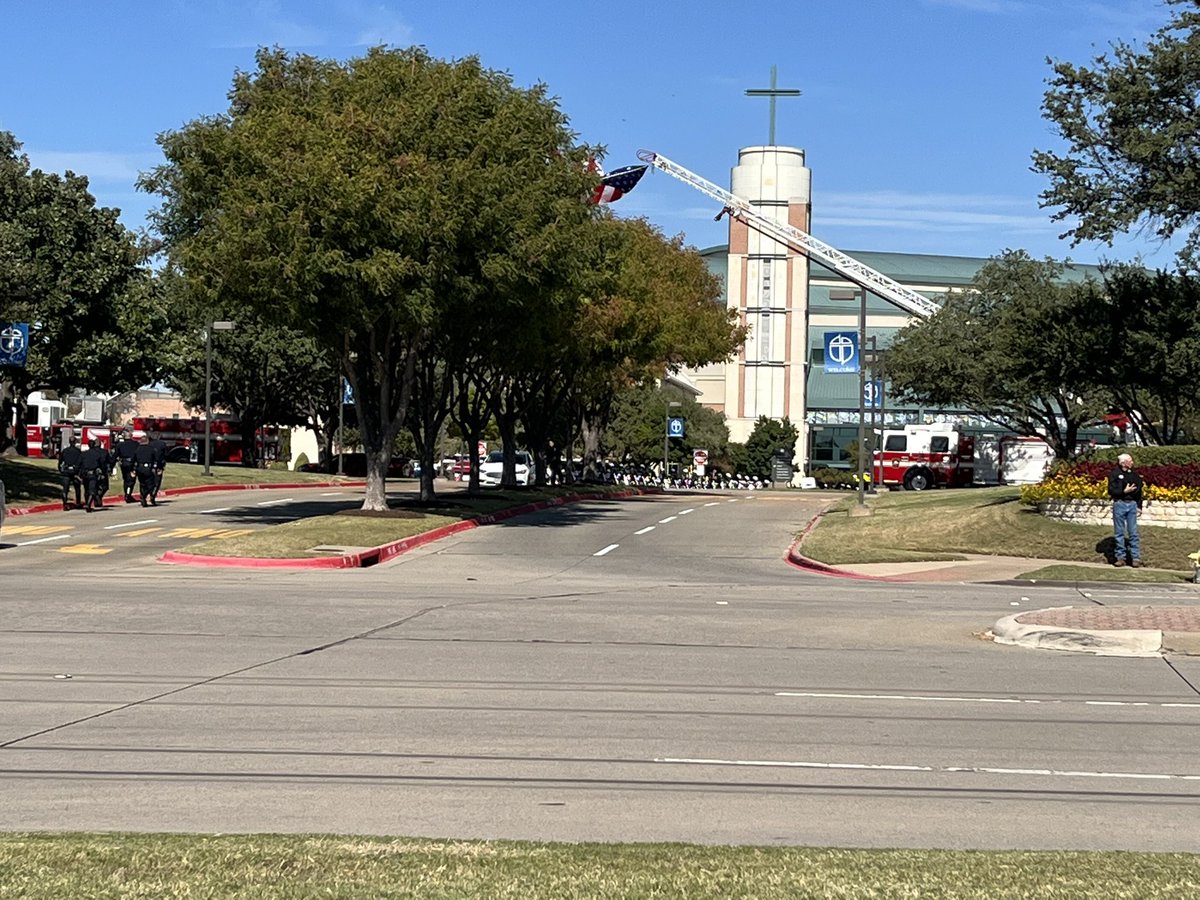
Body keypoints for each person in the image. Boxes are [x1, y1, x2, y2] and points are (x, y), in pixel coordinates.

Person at [1107, 452, 1145, 568]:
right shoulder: (1114, 474)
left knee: (1133, 532)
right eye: (1130, 460)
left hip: (1132, 505)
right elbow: (1112, 490)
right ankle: (1120, 558)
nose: (1132, 462)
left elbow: (1139, 491)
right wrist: (1123, 492)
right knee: (1119, 532)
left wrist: (1139, 506)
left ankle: (1136, 558)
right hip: (1119, 504)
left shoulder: (1134, 475)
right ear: (1123, 463)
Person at [80, 437, 112, 513]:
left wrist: (80, 474)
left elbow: (80, 464)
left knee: (87, 489)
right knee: (92, 489)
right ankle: (89, 503)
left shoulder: (83, 454)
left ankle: (91, 501)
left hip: (85, 474)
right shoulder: (99, 454)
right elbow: (102, 464)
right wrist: (104, 472)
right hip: (94, 473)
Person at [57, 435, 84, 511]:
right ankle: (78, 503)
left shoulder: (65, 451)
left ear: (69, 442)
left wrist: (61, 470)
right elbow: (81, 463)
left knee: (65, 489)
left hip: (66, 472)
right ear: (75, 442)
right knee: (77, 488)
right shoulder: (78, 451)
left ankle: (65, 504)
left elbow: (60, 462)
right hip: (75, 472)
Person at [113, 426, 139, 502]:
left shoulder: (119, 445)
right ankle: (128, 495)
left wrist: (111, 464)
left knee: (126, 479)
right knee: (131, 480)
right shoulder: (136, 444)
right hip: (132, 464)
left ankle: (127, 494)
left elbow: (115, 456)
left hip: (123, 464)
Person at [134, 433, 159, 507]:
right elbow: (156, 459)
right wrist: (156, 468)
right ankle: (143, 496)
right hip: (148, 468)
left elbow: (134, 459)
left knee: (142, 484)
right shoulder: (151, 449)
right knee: (152, 484)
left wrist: (134, 469)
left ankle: (143, 500)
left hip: (139, 468)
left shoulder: (137, 450)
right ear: (147, 441)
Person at [148, 430, 168, 503]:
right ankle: (153, 495)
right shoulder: (162, 444)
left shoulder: (149, 444)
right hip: (159, 465)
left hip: (150, 465)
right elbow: (166, 455)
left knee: (150, 480)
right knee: (157, 481)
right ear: (159, 437)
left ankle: (150, 493)